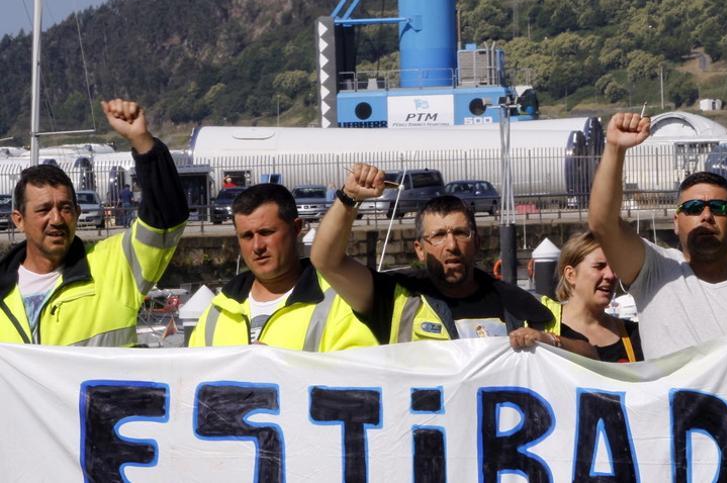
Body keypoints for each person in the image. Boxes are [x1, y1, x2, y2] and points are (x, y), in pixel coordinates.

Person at [588, 112, 727, 359]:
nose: (706, 215)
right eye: (693, 208)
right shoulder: (653, 270)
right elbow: (603, 223)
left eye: (719, 208)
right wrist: (614, 148)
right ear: (676, 222)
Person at [312, 164, 595, 356]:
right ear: (419, 249)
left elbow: (591, 355)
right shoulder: (394, 298)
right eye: (438, 236)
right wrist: (348, 198)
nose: (451, 245)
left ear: (477, 241)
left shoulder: (520, 304)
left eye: (461, 233)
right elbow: (326, 260)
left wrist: (551, 341)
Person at [0, 99, 188, 346]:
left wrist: (142, 142)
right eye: (44, 210)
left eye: (65, 208)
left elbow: (166, 218)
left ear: (77, 213)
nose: (56, 219)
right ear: (18, 220)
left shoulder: (118, 265)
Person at [189, 184, 376, 351]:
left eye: (266, 232)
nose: (257, 246)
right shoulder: (217, 311)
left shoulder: (339, 302)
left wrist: (281, 369)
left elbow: (357, 380)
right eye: (247, 236)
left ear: (296, 229)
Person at [554, 232, 643, 362]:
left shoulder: (632, 335)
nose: (610, 275)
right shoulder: (544, 331)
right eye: (599, 266)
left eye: (614, 268)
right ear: (571, 275)